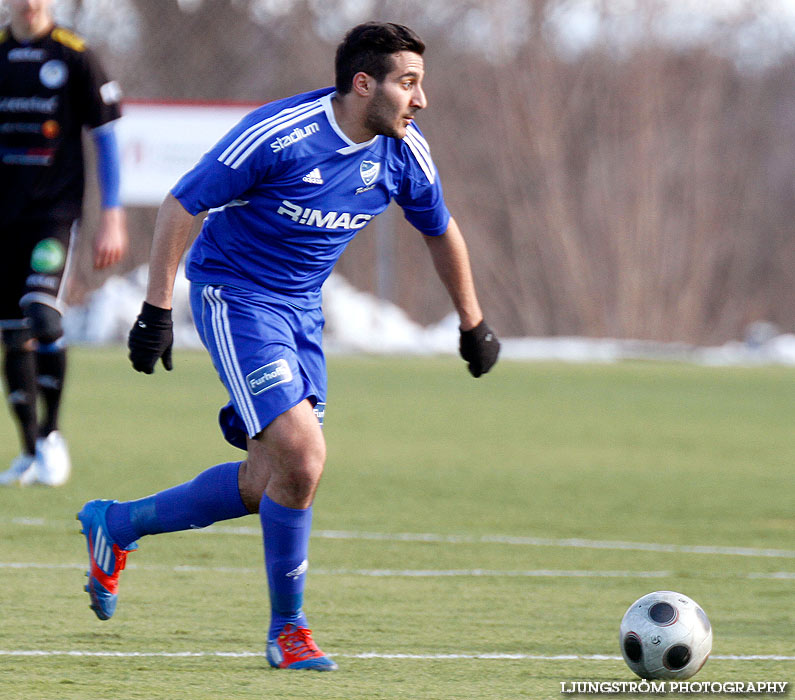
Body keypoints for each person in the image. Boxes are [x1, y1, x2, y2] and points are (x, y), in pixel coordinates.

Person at [77, 22, 499, 671]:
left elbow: (440, 231)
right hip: (235, 296)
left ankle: (118, 524)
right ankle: (289, 632)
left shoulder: (404, 154)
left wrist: (471, 323)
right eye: (408, 83)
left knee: (266, 481)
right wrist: (157, 309)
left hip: (302, 315)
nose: (420, 100)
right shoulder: (280, 136)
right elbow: (179, 204)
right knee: (303, 458)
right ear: (364, 84)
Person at [0, 0, 127, 487]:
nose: (31, 4)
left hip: (52, 216)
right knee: (13, 332)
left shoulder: (74, 55)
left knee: (41, 312)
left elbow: (107, 137)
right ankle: (29, 448)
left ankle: (52, 437)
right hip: (3, 220)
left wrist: (111, 215)